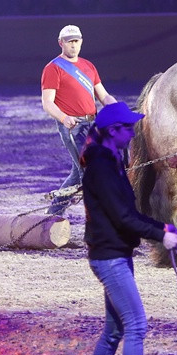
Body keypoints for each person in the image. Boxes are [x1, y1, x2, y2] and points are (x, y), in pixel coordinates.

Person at [77, 101, 177, 355]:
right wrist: (159, 236)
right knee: (136, 324)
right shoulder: (101, 168)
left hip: (116, 254)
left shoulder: (112, 160)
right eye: (128, 127)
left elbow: (129, 213)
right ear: (113, 132)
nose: (133, 131)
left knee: (114, 330)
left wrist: (160, 227)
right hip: (110, 259)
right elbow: (122, 217)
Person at [41, 24, 117, 216]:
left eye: (76, 41)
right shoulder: (53, 69)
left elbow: (103, 95)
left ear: (81, 42)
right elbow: (47, 103)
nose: (73, 45)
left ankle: (53, 214)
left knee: (78, 173)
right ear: (61, 43)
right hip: (72, 128)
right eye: (69, 42)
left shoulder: (89, 66)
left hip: (92, 125)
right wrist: (64, 118)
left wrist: (115, 107)